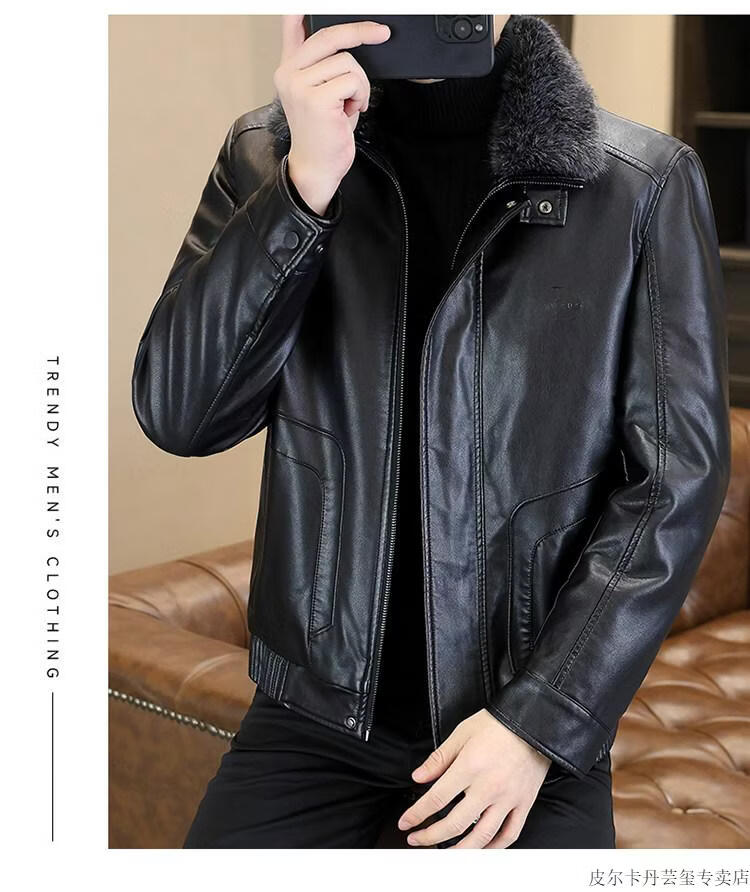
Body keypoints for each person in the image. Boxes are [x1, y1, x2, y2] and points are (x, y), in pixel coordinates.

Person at [131, 13, 731, 848]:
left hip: (522, 722)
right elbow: (181, 414)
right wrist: (303, 189)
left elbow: (674, 483)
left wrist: (539, 721)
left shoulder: (639, 184)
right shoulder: (267, 153)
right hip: (313, 721)